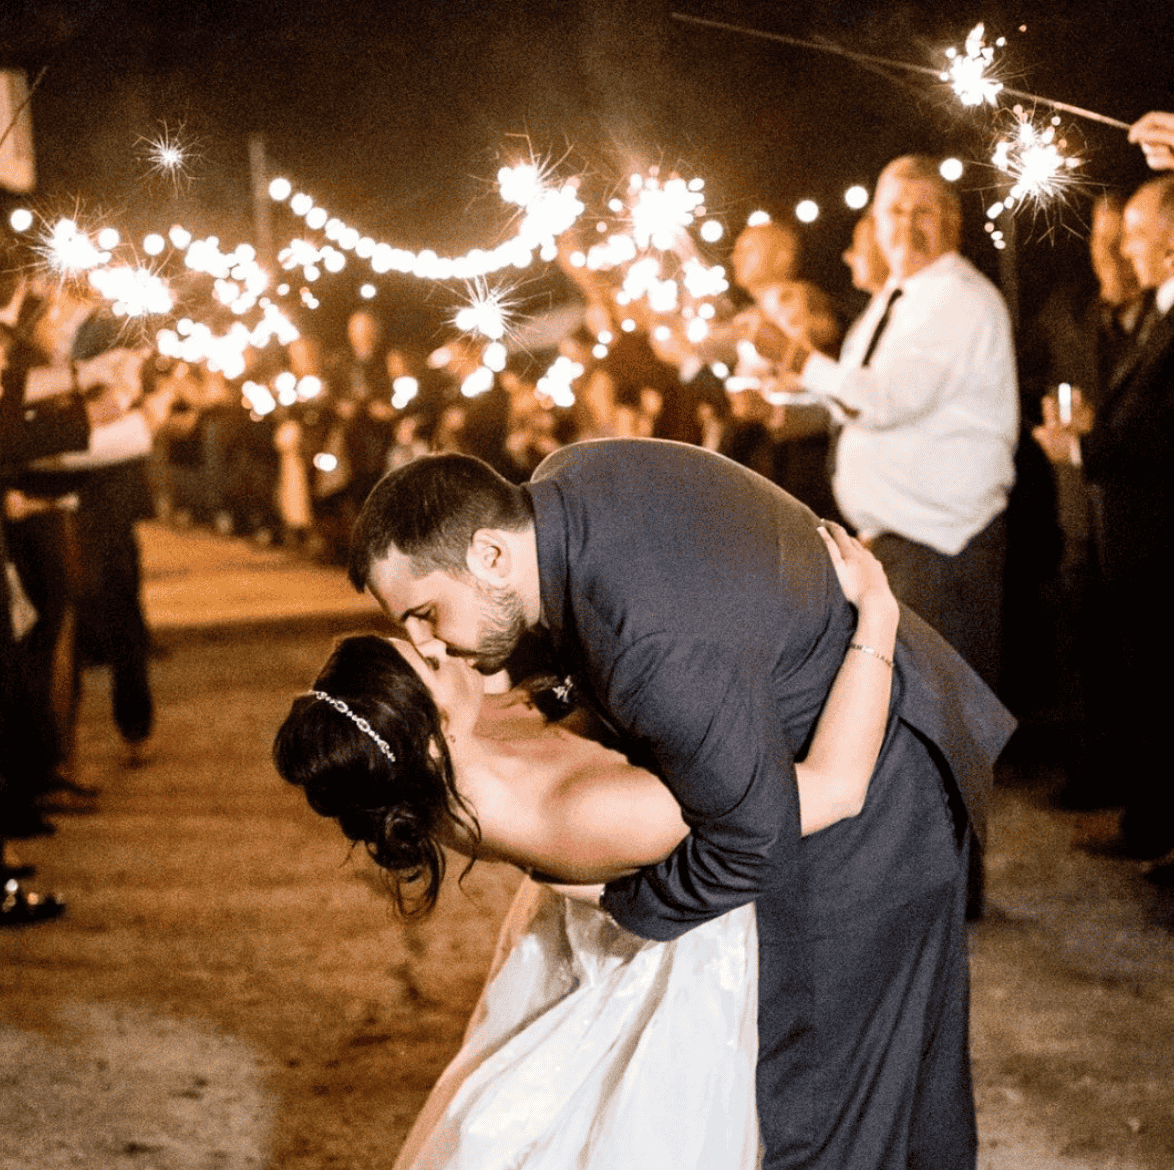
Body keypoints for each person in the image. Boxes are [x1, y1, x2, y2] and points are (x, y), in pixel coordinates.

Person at [348, 442, 1016, 1169]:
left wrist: (628, 909)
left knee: (822, 1112)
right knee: (907, 1092)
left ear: (491, 555)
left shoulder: (649, 652)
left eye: (424, 612)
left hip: (874, 795)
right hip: (861, 732)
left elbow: (752, 843)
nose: (424, 643)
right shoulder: (568, 479)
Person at [276, 522, 898, 1168]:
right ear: (435, 741)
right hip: (677, 962)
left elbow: (542, 687)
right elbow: (832, 789)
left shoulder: (431, 766)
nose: (439, 642)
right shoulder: (582, 813)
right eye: (430, 661)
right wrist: (878, 616)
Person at [777, 155, 1019, 692]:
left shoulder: (958, 297)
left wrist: (801, 360)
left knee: (939, 719)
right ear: (876, 225)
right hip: (901, 544)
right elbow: (858, 400)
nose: (907, 224)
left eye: (923, 210)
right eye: (894, 211)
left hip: (941, 546)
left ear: (951, 219)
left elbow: (888, 399)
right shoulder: (897, 298)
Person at [1032, 174, 1174, 875]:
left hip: (1152, 534)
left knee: (1155, 684)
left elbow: (1160, 430)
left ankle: (1153, 822)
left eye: (1137, 237)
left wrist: (1087, 444)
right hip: (1109, 526)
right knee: (1120, 668)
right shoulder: (1074, 313)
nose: (1123, 251)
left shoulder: (1162, 320)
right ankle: (1137, 807)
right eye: (1111, 239)